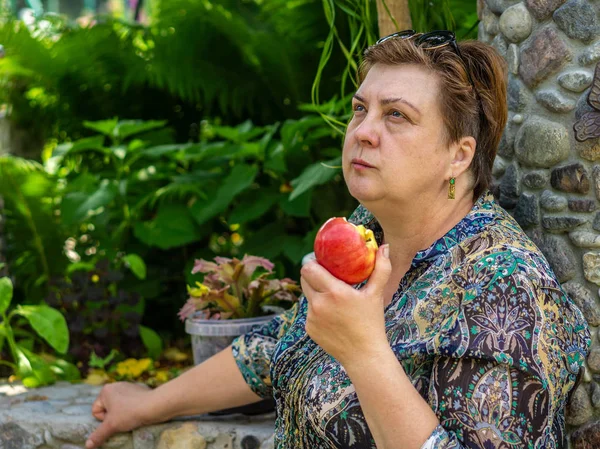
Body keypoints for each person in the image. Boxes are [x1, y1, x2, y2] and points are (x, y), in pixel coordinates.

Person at [86, 30, 591, 449]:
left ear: (458, 156)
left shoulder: (503, 286)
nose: (364, 131)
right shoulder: (367, 229)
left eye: (397, 115)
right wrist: (148, 403)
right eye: (360, 109)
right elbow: (280, 344)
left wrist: (365, 352)